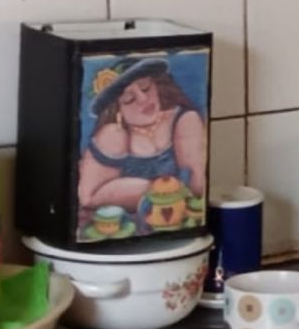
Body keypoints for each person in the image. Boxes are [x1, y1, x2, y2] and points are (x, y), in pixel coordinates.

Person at [76, 57, 207, 221]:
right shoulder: (114, 135)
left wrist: (128, 190)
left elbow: (196, 186)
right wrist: (154, 189)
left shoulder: (184, 120)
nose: (143, 99)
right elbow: (88, 197)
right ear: (116, 109)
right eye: (128, 97)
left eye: (145, 86)